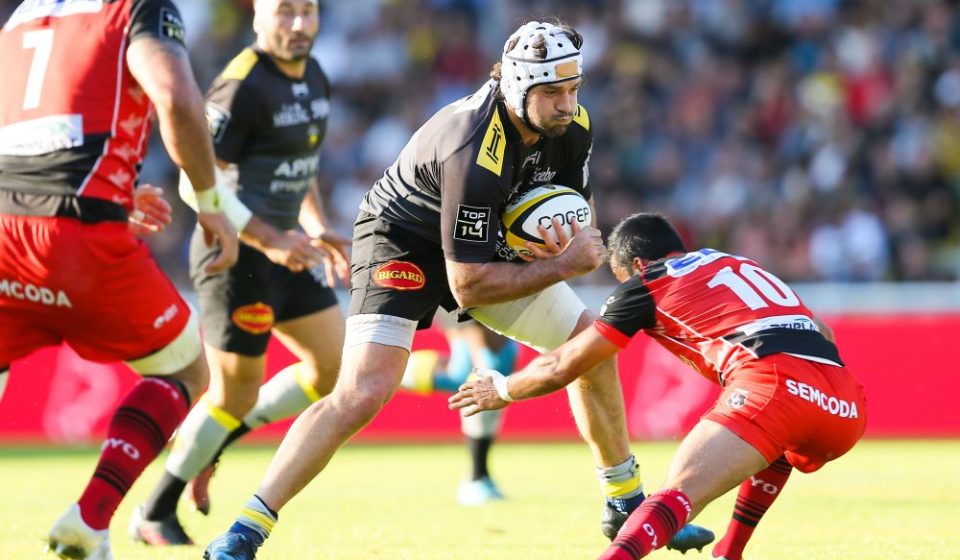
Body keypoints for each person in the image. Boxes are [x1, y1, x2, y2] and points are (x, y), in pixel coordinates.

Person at [203, 20, 712, 559]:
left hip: (487, 243)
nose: (568, 104)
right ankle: (245, 529)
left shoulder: (574, 126)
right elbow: (466, 286)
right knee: (362, 390)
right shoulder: (474, 146)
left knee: (589, 346)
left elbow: (559, 212)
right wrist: (562, 265)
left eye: (573, 89)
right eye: (553, 93)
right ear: (518, 87)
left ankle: (625, 505)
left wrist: (552, 252)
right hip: (401, 241)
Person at [450, 213, 868, 560]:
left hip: (774, 384)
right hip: (846, 403)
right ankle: (730, 552)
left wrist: (502, 390)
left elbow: (566, 363)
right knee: (778, 436)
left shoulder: (646, 283)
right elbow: (824, 334)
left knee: (680, 493)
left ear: (632, 267)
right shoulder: (735, 263)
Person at [0, 0, 240, 558]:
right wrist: (208, 202)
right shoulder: (136, 8)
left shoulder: (22, 17)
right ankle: (89, 518)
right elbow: (178, 98)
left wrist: (107, 190)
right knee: (185, 369)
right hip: (73, 239)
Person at [129, 0, 350, 546]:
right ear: (257, 15)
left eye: (308, 12)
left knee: (335, 370)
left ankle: (219, 439)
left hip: (290, 248)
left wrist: (316, 224)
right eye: (285, 12)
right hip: (235, 256)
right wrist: (270, 239)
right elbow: (193, 183)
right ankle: (153, 512)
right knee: (232, 394)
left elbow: (303, 164)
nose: (299, 25)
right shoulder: (240, 87)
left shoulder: (315, 75)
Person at [400, 318, 519, 505]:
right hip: (473, 304)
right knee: (486, 377)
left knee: (473, 374)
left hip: (496, 309)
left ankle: (480, 477)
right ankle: (477, 478)